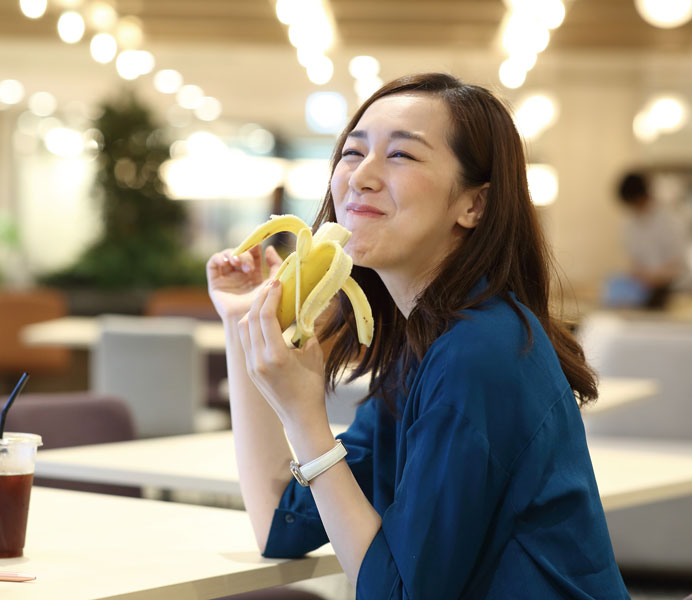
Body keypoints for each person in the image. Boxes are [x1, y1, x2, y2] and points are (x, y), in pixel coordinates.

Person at [206, 73, 629, 598]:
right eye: (352, 152)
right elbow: (280, 526)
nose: (361, 176)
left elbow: (398, 594)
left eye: (402, 156)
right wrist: (245, 323)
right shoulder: (425, 346)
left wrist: (305, 417)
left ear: (473, 205)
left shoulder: (481, 351)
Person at [614, 171, 688, 309]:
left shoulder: (670, 220)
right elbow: (636, 261)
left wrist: (653, 277)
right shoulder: (629, 224)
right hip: (644, 293)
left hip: (675, 292)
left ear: (643, 197)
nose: (633, 208)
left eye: (634, 203)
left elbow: (678, 266)